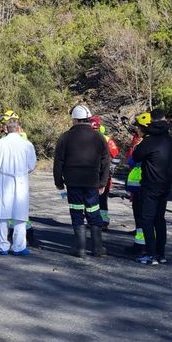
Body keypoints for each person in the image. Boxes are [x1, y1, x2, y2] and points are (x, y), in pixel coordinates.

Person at [54, 104, 110, 258]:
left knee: (76, 212)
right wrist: (103, 183)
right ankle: (98, 248)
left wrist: (58, 182)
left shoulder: (65, 137)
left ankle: (80, 249)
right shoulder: (99, 137)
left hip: (73, 183)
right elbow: (106, 162)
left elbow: (58, 162)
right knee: (94, 212)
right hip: (92, 183)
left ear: (75, 120)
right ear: (88, 119)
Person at [132, 110, 172, 265]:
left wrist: (140, 142)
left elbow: (136, 157)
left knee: (147, 219)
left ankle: (150, 254)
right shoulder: (169, 139)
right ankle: (161, 254)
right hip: (166, 184)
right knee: (159, 219)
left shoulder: (149, 141)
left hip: (150, 185)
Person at [0, 118, 37, 255]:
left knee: (2, 214)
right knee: (20, 215)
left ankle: (2, 245)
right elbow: (31, 165)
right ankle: (19, 246)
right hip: (20, 181)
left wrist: (0, 170)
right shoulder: (26, 144)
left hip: (4, 180)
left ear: (6, 129)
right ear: (19, 129)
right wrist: (22, 171)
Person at [91, 116, 120, 227]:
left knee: (102, 199)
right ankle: (93, 219)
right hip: (90, 175)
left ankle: (102, 220)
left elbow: (116, 157)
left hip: (103, 175)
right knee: (90, 199)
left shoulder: (107, 140)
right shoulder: (86, 138)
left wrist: (110, 169)